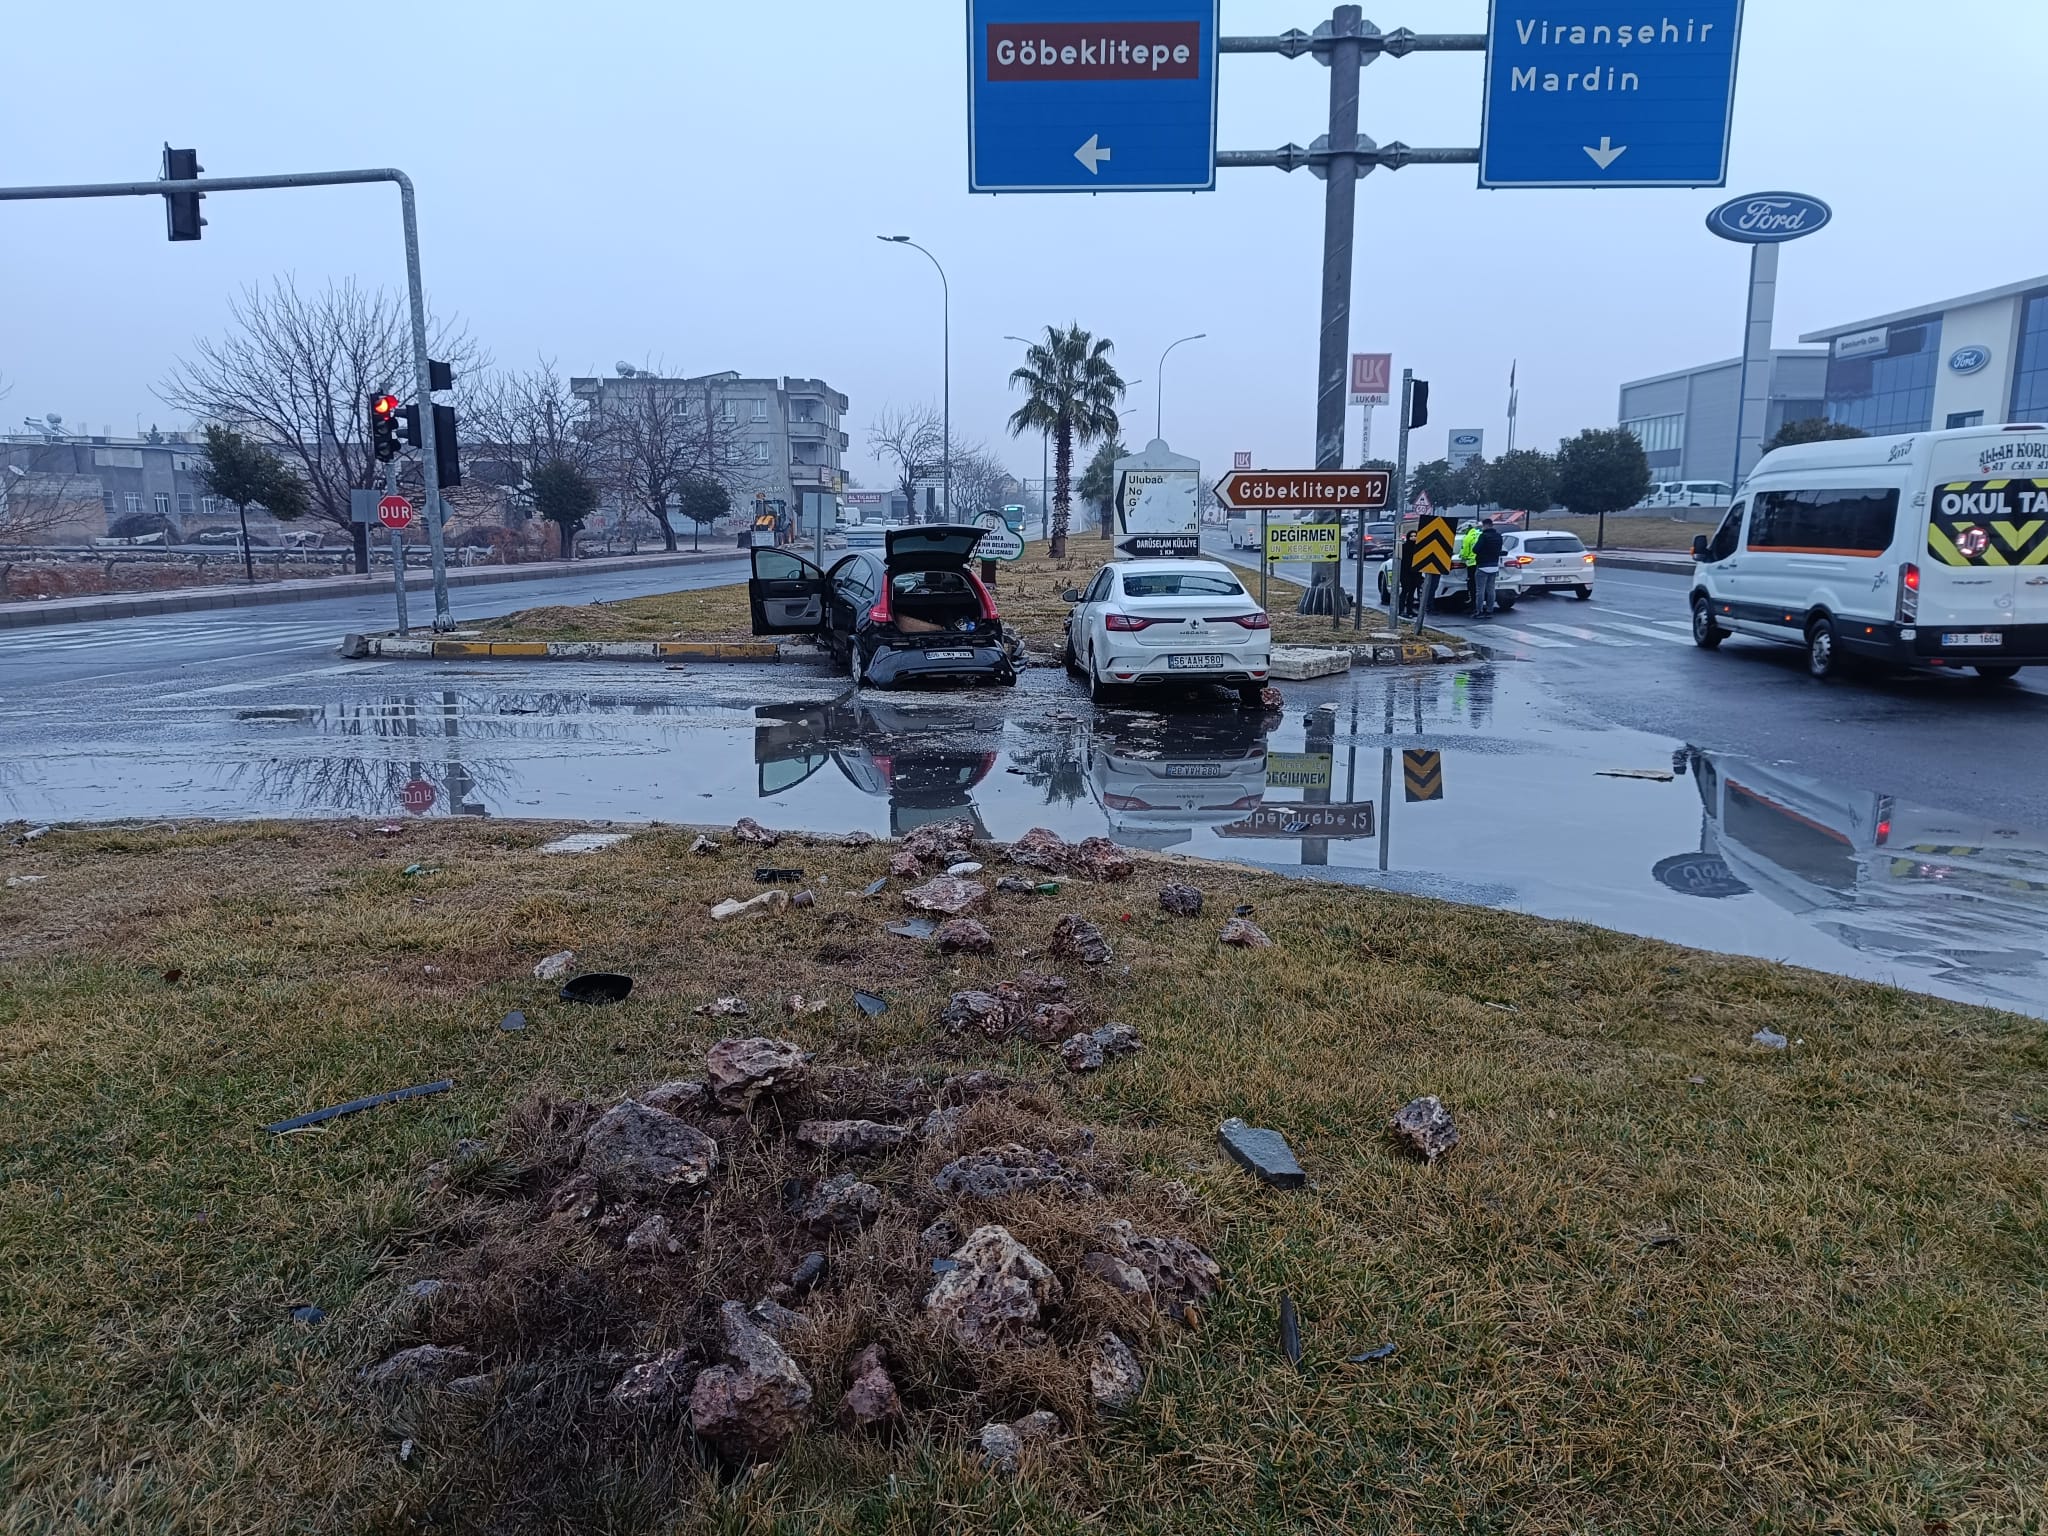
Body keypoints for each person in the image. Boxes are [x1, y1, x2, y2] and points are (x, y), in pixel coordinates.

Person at [1472, 515, 1505, 619]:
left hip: (1482, 565)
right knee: (1491, 589)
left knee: (1480, 590)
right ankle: (1490, 610)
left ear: (1485, 525)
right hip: (1494, 565)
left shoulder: (1483, 536)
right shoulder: (1499, 536)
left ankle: (1479, 611)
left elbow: (1475, 549)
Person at [1455, 519, 1481, 605]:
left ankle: (1473, 602)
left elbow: (1464, 553)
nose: (1465, 531)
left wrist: (1462, 557)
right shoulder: (1481, 534)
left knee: (1472, 584)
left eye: (1465, 530)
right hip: (1482, 563)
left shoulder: (1467, 538)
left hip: (1472, 564)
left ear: (1468, 529)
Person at [1397, 529, 1422, 617]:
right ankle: (1401, 610)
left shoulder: (1419, 548)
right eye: (1411, 536)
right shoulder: (1404, 547)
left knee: (1412, 592)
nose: (1413, 538)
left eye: (1415, 536)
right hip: (1405, 573)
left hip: (1416, 573)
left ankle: (1409, 610)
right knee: (1405, 591)